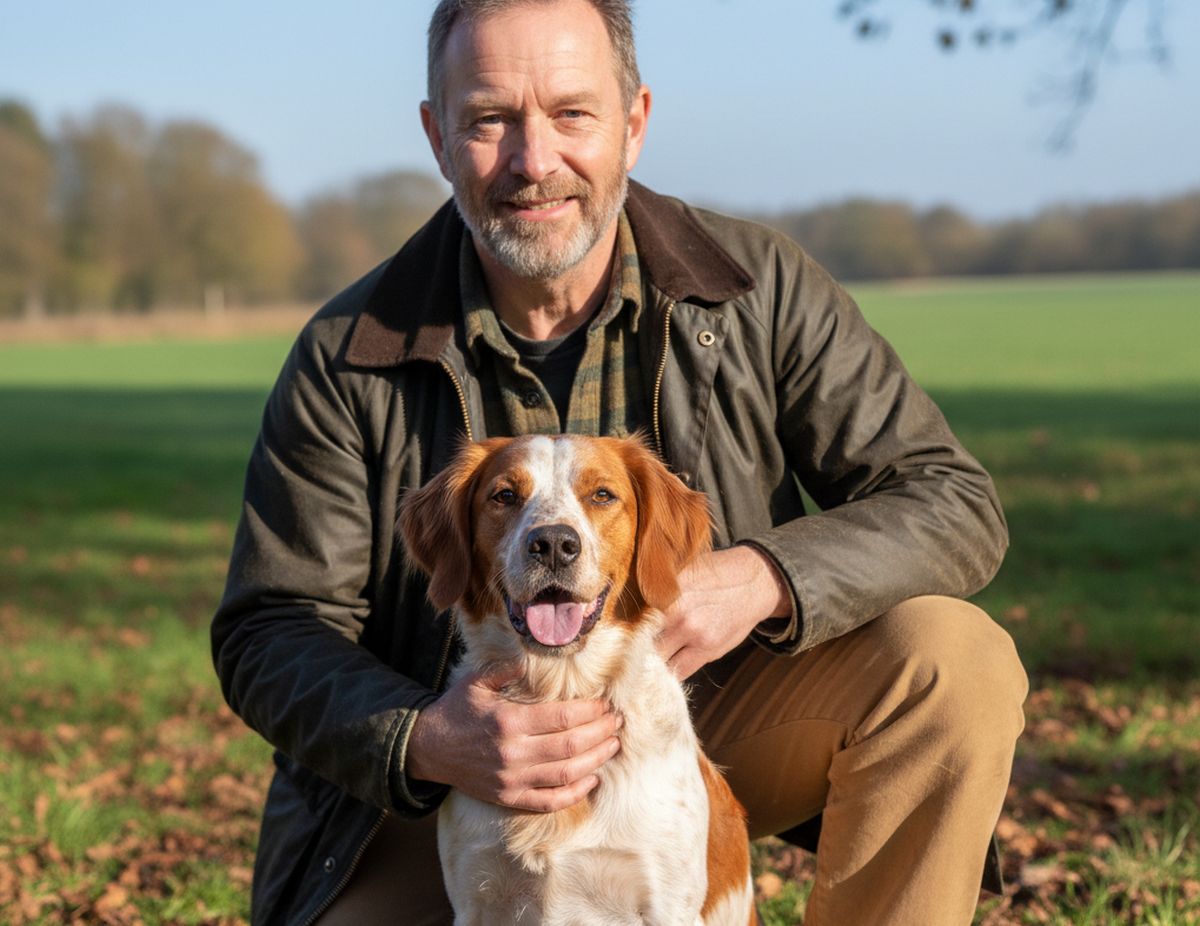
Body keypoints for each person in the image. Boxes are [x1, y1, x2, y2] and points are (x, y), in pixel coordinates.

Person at [211, 1, 1028, 923]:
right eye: (489, 119)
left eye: (571, 112)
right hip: (449, 771)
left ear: (633, 122)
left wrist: (763, 577)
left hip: (706, 710)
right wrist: (423, 739)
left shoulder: (759, 288)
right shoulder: (349, 350)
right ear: (438, 137)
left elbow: (951, 500)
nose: (533, 160)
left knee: (955, 662)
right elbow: (269, 628)